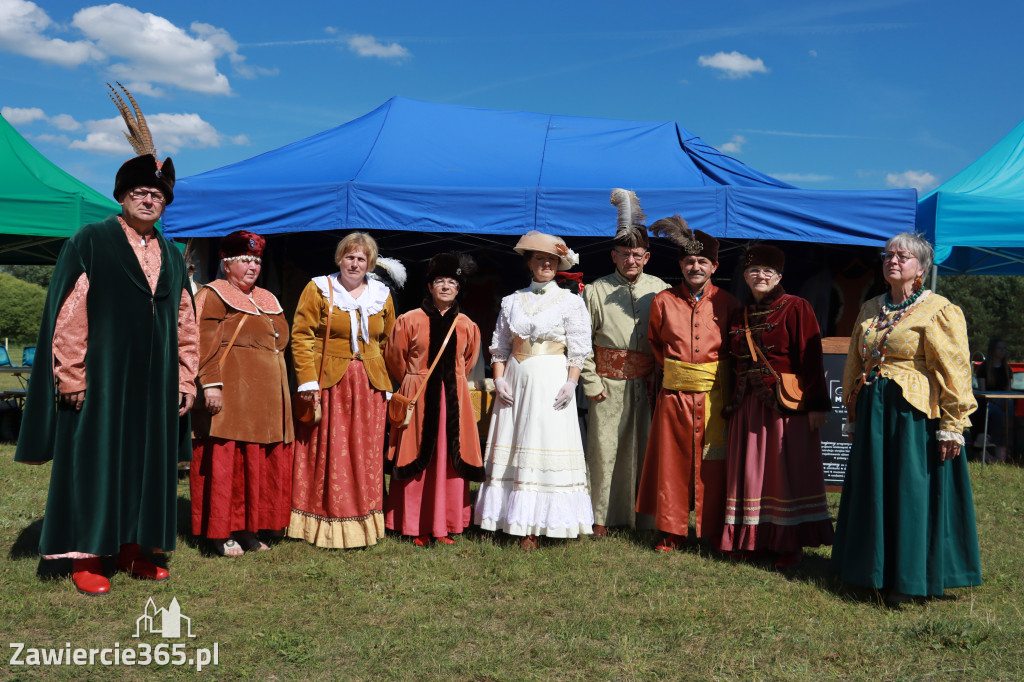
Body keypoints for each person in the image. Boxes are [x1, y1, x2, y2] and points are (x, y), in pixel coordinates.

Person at [14, 84, 198, 595]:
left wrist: (186, 379)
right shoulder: (91, 240)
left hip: (157, 384)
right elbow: (68, 312)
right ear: (121, 196)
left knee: (148, 466)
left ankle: (136, 549)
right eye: (140, 192)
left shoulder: (172, 252)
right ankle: (88, 555)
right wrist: (70, 373)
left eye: (158, 195)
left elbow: (186, 319)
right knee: (96, 462)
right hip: (101, 379)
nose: (149, 199)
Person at [832, 233, 980, 605]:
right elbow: (855, 359)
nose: (893, 261)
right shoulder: (870, 308)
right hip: (873, 410)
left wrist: (952, 423)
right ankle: (871, 571)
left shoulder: (939, 309)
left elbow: (955, 368)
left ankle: (909, 576)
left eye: (903, 256)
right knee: (875, 487)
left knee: (909, 491)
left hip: (914, 416)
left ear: (921, 269)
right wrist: (852, 409)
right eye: (888, 255)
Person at [474, 231, 594, 550]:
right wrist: (499, 379)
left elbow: (579, 349)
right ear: (529, 263)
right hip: (515, 379)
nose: (545, 264)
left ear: (558, 265)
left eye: (551, 260)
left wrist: (571, 381)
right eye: (539, 258)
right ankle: (502, 517)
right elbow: (499, 346)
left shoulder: (570, 302)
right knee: (512, 442)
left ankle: (540, 524)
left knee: (544, 441)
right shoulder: (512, 301)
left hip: (552, 379)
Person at [717, 244, 834, 568]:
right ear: (745, 275)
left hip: (786, 409)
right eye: (755, 270)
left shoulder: (797, 307)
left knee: (784, 476)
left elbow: (810, 358)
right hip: (747, 408)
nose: (761, 276)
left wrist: (816, 406)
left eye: (768, 271)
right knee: (751, 476)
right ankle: (750, 540)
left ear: (779, 276)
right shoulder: (739, 314)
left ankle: (789, 543)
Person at [635, 216, 739, 551]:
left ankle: (711, 531)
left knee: (714, 464)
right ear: (681, 264)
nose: (696, 266)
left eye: (702, 261)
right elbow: (655, 342)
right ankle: (672, 531)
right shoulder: (663, 301)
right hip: (674, 396)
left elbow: (737, 352)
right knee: (672, 463)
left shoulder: (729, 303)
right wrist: (676, 377)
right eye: (690, 261)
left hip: (715, 398)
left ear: (714, 266)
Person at [288, 232, 396, 549]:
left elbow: (390, 342)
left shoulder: (381, 294)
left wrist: (389, 382)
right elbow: (302, 336)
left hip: (370, 386)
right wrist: (307, 380)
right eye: (349, 257)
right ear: (339, 259)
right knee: (328, 453)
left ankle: (366, 521)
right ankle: (321, 522)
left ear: (370, 263)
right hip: (330, 383)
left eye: (361, 258)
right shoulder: (319, 288)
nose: (354, 263)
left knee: (366, 455)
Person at [190, 231, 294, 556]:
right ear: (227, 262)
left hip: (266, 401)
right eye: (245, 260)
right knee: (228, 464)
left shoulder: (267, 297)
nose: (252, 266)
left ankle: (250, 529)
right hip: (231, 396)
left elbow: (281, 340)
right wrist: (210, 384)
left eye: (257, 260)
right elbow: (201, 343)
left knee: (256, 466)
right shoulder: (214, 294)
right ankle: (220, 533)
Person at [581, 189, 668, 536]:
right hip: (607, 383)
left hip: (647, 385)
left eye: (637, 254)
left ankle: (643, 518)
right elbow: (580, 342)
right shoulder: (595, 291)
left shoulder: (661, 290)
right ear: (613, 256)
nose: (631, 260)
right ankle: (600, 518)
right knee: (604, 452)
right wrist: (591, 382)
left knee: (645, 452)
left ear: (647, 257)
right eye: (624, 254)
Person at [384, 253, 485, 546]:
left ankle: (445, 523)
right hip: (418, 397)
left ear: (458, 288)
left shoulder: (467, 324)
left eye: (452, 282)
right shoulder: (409, 320)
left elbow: (467, 361)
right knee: (417, 457)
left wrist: (449, 382)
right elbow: (394, 358)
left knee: (447, 459)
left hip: (453, 398)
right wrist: (414, 381)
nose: (445, 287)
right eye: (439, 281)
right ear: (429, 286)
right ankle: (415, 525)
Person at [975, 337, 1011, 463]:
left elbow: (1008, 391)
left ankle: (1006, 452)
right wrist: (998, 402)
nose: (1002, 351)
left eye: (1004, 349)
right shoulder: (984, 368)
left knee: (1011, 413)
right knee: (998, 414)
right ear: (993, 350)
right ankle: (994, 453)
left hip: (1004, 401)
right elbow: (982, 392)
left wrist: (1004, 403)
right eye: (999, 349)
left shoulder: (1007, 369)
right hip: (988, 402)